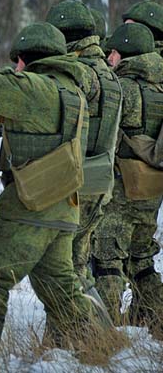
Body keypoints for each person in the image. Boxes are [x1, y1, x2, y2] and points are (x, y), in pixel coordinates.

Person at [0, 22, 99, 363]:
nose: (15, 66)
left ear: (25, 60)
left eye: (17, 60)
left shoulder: (34, 88)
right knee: (61, 291)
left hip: (31, 206)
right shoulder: (72, 91)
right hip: (63, 207)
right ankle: (100, 352)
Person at [46, 1, 122, 293]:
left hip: (74, 182)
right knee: (77, 263)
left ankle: (73, 333)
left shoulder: (77, 73)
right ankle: (93, 333)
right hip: (99, 180)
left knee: (62, 266)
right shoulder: (107, 72)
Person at [92, 23, 163, 337]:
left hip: (123, 190)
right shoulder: (160, 85)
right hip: (152, 190)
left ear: (125, 53)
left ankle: (101, 332)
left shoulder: (123, 89)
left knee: (107, 260)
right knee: (142, 258)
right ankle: (156, 320)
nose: (110, 58)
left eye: (114, 52)